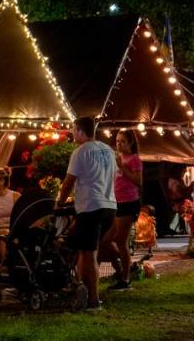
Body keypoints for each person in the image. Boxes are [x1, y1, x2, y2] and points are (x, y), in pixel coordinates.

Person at [56, 117, 116, 310]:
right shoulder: (108, 150)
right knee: (85, 250)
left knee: (89, 255)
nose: (73, 134)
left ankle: (93, 300)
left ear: (81, 131)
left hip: (91, 207)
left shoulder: (80, 152)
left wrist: (59, 203)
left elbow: (69, 181)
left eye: (74, 130)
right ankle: (80, 290)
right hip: (109, 206)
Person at [100, 130, 142, 290]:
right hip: (115, 202)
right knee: (105, 241)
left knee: (121, 241)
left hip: (128, 202)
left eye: (123, 141)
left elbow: (138, 181)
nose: (119, 144)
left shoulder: (134, 160)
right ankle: (123, 270)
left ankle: (125, 278)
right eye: (117, 141)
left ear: (131, 143)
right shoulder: (118, 159)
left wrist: (122, 168)